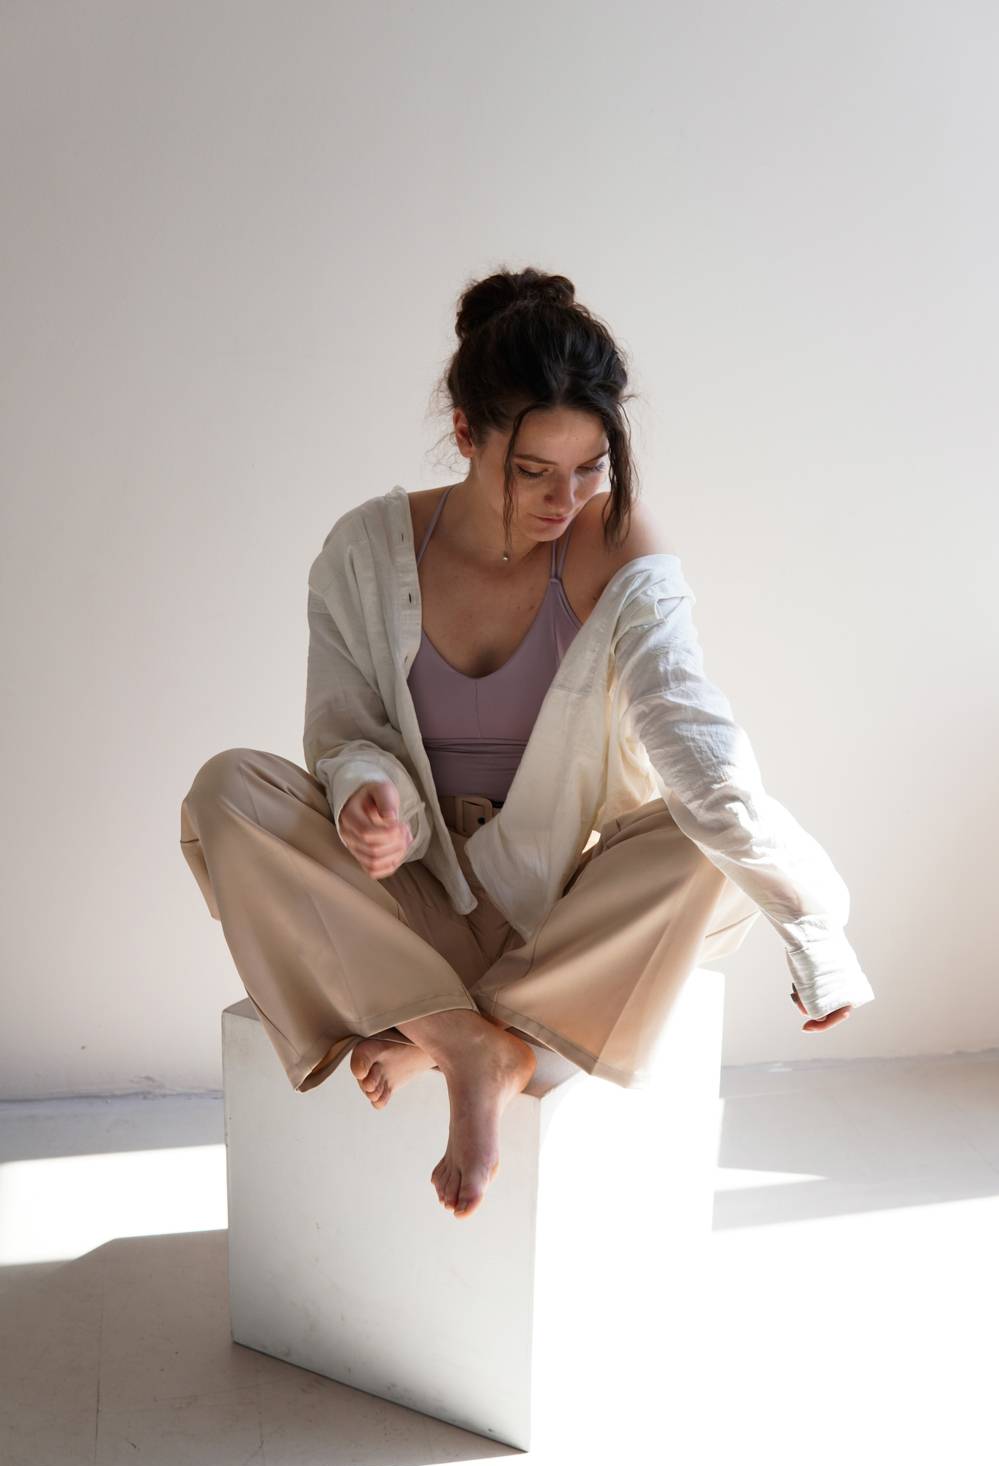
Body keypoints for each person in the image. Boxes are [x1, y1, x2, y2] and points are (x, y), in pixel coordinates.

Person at [180, 265, 874, 1222]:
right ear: (466, 433)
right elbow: (341, 731)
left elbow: (696, 744)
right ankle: (474, 1039)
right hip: (405, 896)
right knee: (225, 791)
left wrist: (812, 928)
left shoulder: (617, 545)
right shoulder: (366, 549)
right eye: (533, 470)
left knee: (696, 845)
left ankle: (440, 1033)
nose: (567, 498)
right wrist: (368, 798)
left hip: (556, 907)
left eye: (590, 467)